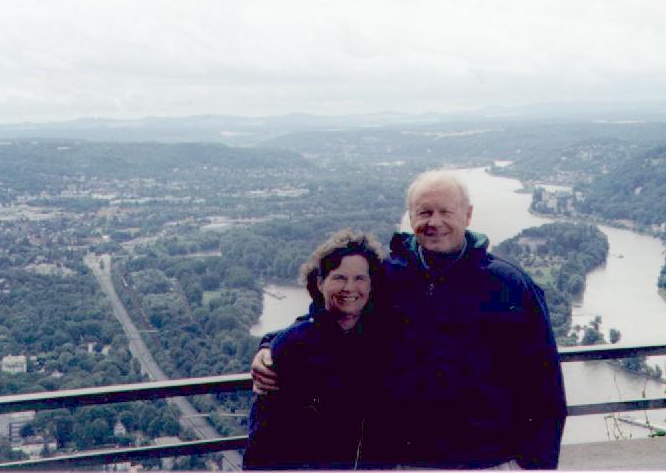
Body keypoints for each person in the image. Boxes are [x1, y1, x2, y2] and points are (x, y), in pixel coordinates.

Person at [252, 170, 567, 469]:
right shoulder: (388, 275)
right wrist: (271, 345)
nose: (435, 222)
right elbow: (330, 317)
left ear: (468, 215)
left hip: (487, 461)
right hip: (402, 460)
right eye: (424, 212)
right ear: (411, 216)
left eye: (446, 211)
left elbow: (545, 387)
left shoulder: (509, 284)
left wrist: (536, 466)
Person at [243, 229, 385, 470]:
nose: (350, 287)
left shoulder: (378, 336)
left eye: (360, 278)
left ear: (372, 286)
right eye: (339, 277)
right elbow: (263, 442)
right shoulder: (293, 346)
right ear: (320, 283)